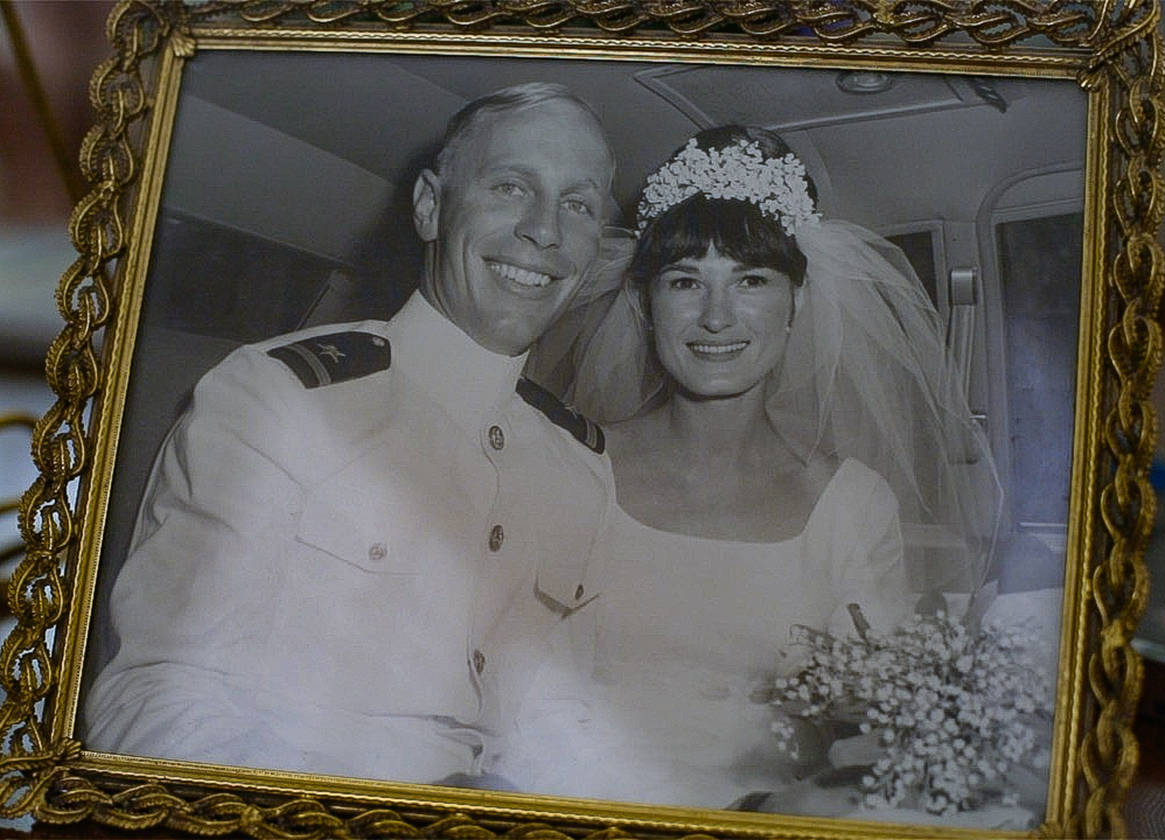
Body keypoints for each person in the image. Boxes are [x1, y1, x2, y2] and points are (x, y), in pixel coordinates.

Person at [83, 82, 617, 785]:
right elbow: (150, 705)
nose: (545, 231)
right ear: (430, 207)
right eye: (513, 187)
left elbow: (563, 716)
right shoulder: (279, 398)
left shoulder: (580, 463)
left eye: (577, 204)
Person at [503, 125, 1001, 811]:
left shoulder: (854, 503)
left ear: (795, 303)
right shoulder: (571, 463)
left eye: (751, 280)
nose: (715, 317)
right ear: (648, 308)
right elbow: (509, 689)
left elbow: (870, 722)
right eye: (685, 281)